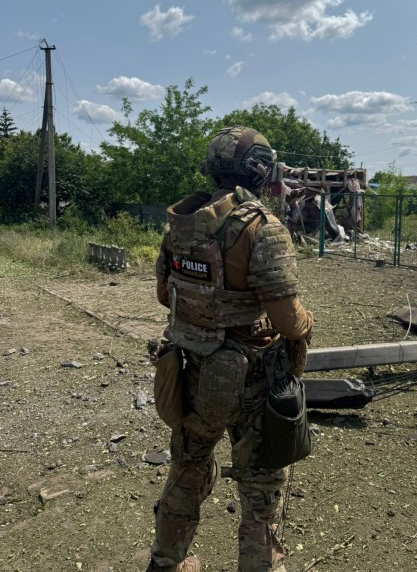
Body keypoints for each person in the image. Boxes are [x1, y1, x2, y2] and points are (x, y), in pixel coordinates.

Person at [147, 126, 313, 572]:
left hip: (193, 375)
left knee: (186, 470)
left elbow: (165, 295)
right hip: (254, 383)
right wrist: (307, 321)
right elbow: (287, 321)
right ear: (260, 171)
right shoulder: (263, 227)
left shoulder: (181, 223)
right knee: (261, 491)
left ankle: (164, 562)